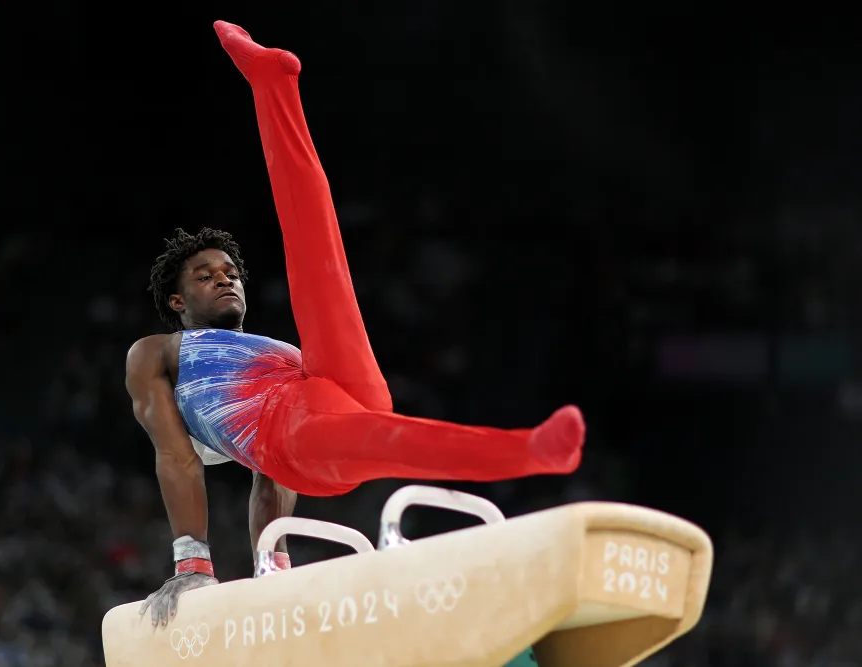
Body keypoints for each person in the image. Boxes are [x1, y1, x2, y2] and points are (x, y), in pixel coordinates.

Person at [125, 21, 586, 627]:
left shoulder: (276, 347)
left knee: (316, 247)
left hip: (319, 388)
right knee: (397, 439)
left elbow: (269, 490)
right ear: (178, 301)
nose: (226, 277)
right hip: (293, 438)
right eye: (206, 274)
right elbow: (178, 458)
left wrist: (274, 563)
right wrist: (194, 564)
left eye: (232, 269)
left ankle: (273, 83)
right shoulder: (159, 352)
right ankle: (531, 450)